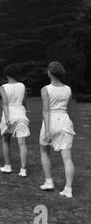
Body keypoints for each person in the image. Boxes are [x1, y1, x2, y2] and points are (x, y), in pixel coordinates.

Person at [39, 62, 75, 198]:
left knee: (44, 150)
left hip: (51, 121)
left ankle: (49, 181)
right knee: (67, 158)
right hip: (65, 121)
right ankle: (68, 189)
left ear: (49, 73)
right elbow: (68, 109)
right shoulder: (68, 89)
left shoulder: (45, 89)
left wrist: (47, 131)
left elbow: (46, 111)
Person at [0, 64, 30, 177]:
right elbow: (24, 102)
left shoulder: (3, 87)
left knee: (5, 140)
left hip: (10, 114)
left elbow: (5, 104)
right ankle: (23, 170)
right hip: (21, 113)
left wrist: (7, 118)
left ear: (6, 75)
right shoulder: (22, 86)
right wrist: (24, 113)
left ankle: (8, 166)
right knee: (22, 143)